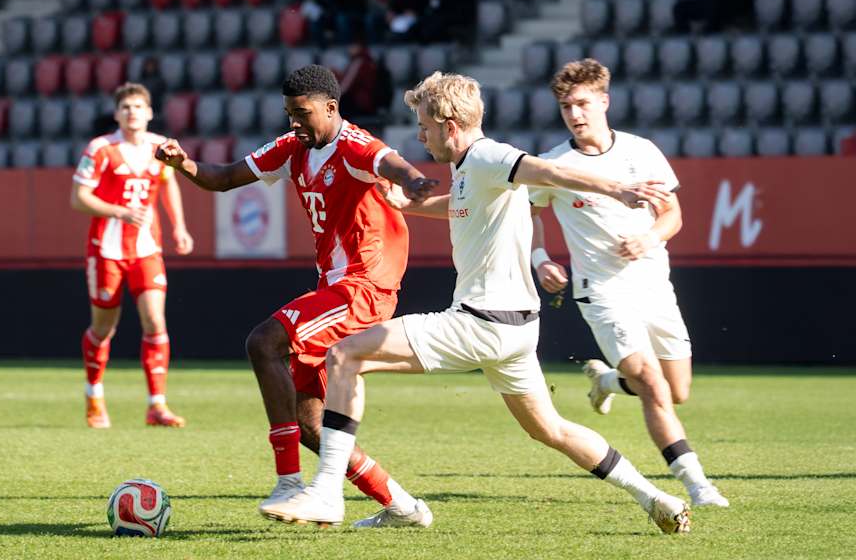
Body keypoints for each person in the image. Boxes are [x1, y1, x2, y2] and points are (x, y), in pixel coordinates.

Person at [261, 71, 693, 535]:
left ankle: (326, 491)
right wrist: (407, 206)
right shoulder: (470, 170)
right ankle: (656, 498)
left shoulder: (489, 155)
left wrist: (616, 189)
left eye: (425, 126)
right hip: (517, 330)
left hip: (480, 322)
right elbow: (460, 204)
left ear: (449, 125)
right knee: (551, 430)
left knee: (345, 354)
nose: (420, 136)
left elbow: (548, 172)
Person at [155, 65, 440, 527]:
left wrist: (410, 179)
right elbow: (224, 177)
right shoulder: (292, 148)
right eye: (289, 114)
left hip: (364, 286)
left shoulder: (353, 145)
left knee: (263, 342)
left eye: (302, 114)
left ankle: (289, 481)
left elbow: (387, 160)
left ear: (331, 108)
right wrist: (183, 164)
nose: (294, 123)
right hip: (335, 288)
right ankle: (401, 506)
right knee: (311, 424)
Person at [529, 58, 729, 508]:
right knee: (654, 386)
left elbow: (672, 215)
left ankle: (607, 383)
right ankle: (698, 485)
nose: (574, 114)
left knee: (678, 390)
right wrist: (540, 258)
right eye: (566, 107)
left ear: (604, 101)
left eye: (582, 103)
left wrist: (649, 237)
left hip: (654, 284)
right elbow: (530, 212)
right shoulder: (553, 164)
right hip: (599, 290)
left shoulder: (641, 152)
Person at [70, 82, 194, 429]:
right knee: (103, 328)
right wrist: (119, 211)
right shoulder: (100, 149)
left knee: (155, 321)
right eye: (125, 107)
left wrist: (179, 227)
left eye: (138, 107)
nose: (132, 112)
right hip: (106, 251)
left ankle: (157, 405)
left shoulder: (160, 147)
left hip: (146, 249)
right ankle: (94, 395)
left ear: (149, 112)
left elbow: (169, 182)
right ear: (116, 114)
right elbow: (78, 198)